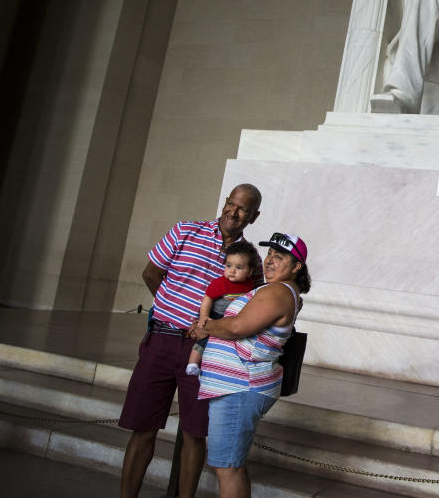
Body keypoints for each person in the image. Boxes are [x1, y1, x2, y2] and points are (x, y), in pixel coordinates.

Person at [118, 184, 264, 498]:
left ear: (253, 217)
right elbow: (150, 273)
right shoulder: (185, 231)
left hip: (205, 353)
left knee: (194, 433)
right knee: (142, 428)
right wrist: (176, 309)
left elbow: (253, 309)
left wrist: (210, 327)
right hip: (162, 340)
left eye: (242, 210)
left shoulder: (250, 259)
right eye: (231, 203)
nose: (233, 212)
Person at [191, 231, 310, 498]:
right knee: (231, 466)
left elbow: (237, 327)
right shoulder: (277, 289)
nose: (269, 261)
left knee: (228, 468)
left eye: (278, 257)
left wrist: (206, 326)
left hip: (240, 387)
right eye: (268, 254)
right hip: (238, 386)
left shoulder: (279, 291)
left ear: (296, 266)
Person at [185, 240, 259, 376]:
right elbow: (207, 299)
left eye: (239, 267)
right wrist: (204, 316)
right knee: (205, 339)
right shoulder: (220, 283)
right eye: (229, 265)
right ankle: (192, 363)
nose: (232, 270)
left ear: (250, 271)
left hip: (236, 320)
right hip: (217, 316)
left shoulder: (249, 285)